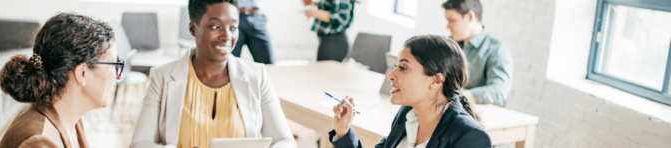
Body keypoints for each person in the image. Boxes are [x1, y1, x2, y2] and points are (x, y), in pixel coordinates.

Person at [130, 0, 296, 147]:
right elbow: (139, 143)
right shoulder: (162, 77)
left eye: (233, 27)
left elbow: (284, 141)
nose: (227, 36)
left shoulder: (257, 75)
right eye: (215, 26)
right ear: (192, 28)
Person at [328, 35, 491, 148]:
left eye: (403, 68)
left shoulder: (470, 137)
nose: (391, 76)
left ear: (435, 80)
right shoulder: (406, 115)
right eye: (395, 66)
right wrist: (344, 133)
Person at [0, 12, 122, 148]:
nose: (118, 76)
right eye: (113, 65)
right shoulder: (40, 141)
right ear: (82, 73)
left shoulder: (70, 117)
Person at [442, 0, 513, 107]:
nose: (448, 26)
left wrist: (455, 96)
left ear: (470, 16)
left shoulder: (497, 50)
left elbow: (498, 93)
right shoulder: (449, 44)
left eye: (452, 20)